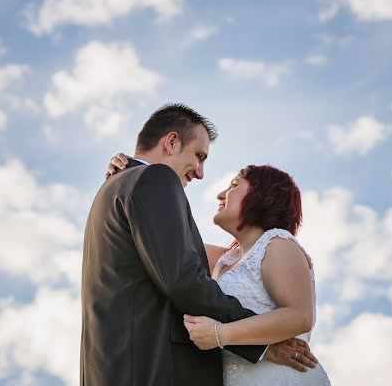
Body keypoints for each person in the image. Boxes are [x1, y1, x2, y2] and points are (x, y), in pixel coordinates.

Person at [81, 103, 317, 386]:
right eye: (198, 156)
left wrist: (128, 168)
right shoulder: (153, 179)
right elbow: (183, 279)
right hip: (153, 369)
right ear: (171, 141)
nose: (201, 173)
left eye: (233, 185)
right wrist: (263, 345)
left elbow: (179, 260)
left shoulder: (116, 189)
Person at [107, 155, 332, 385]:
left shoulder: (278, 243)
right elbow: (161, 241)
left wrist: (220, 334)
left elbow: (299, 316)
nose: (221, 194)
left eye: (234, 185)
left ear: (263, 195)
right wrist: (129, 173)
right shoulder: (223, 259)